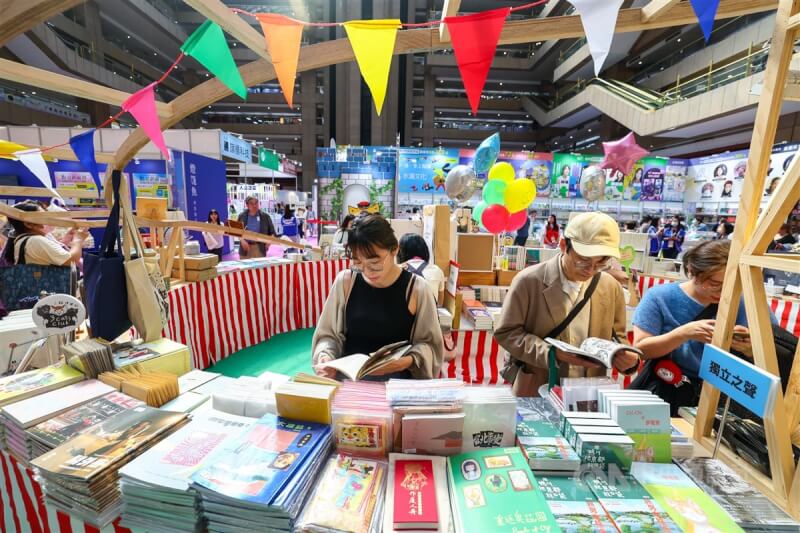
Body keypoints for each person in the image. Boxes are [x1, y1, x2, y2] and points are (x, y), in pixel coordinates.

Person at [494, 212, 640, 396]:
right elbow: (506, 333)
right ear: (563, 245)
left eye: (601, 263)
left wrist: (626, 359)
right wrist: (552, 354)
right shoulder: (529, 281)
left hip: (589, 393)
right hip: (539, 385)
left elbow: (618, 338)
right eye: (583, 261)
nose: (590, 270)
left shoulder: (610, 287)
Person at [630, 240, 759, 413]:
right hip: (668, 388)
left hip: (722, 398)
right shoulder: (660, 297)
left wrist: (750, 349)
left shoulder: (744, 303)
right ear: (691, 271)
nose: (722, 292)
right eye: (715, 284)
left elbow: (772, 348)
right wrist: (683, 334)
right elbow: (641, 350)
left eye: (731, 286)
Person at [312, 215, 444, 380]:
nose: (367, 271)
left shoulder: (416, 289)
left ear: (394, 249)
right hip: (350, 383)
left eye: (375, 263)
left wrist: (405, 362)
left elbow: (430, 346)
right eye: (359, 263)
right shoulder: (346, 282)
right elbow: (328, 336)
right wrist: (325, 356)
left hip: (397, 386)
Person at [2, 200, 88, 266]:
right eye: (43, 217)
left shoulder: (26, 239)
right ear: (28, 224)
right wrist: (78, 241)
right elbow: (70, 260)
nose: (48, 219)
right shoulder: (36, 240)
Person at [397, 233, 445, 306]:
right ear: (425, 251)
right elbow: (440, 303)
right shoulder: (436, 270)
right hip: (430, 315)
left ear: (401, 252)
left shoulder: (397, 269)